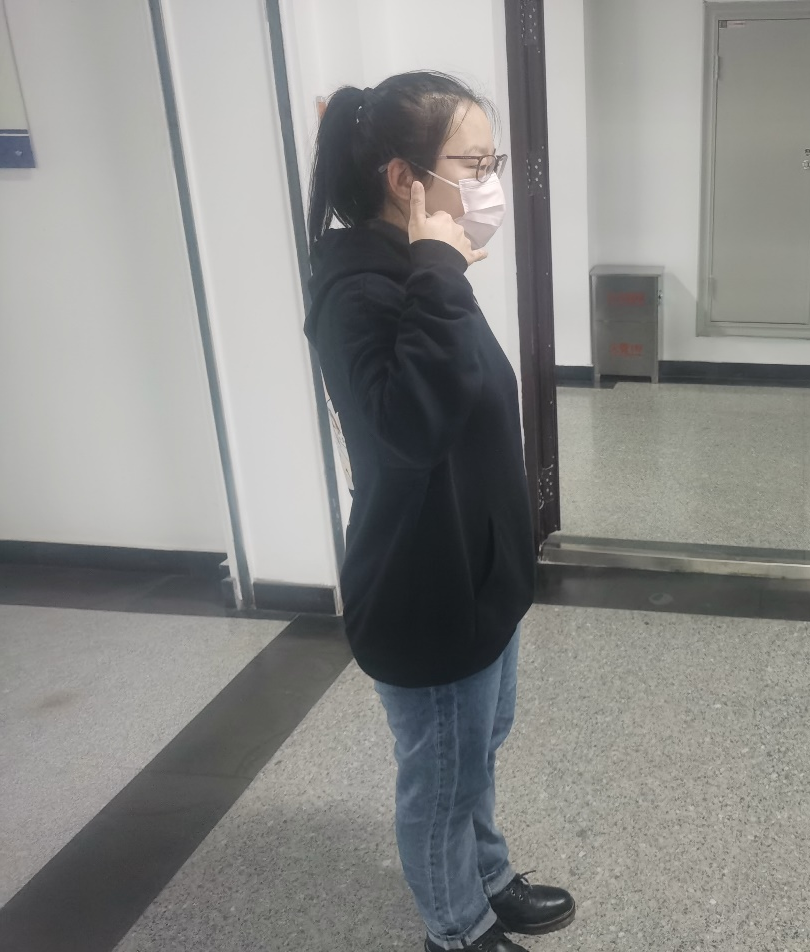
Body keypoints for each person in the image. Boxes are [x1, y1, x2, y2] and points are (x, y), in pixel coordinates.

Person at [303, 71, 574, 952]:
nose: (491, 183)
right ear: (403, 179)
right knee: (443, 779)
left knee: (478, 748)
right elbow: (408, 432)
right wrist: (440, 272)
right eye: (476, 163)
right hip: (425, 586)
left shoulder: (419, 269)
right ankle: (455, 930)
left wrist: (438, 271)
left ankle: (486, 878)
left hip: (478, 569)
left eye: (495, 162)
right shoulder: (362, 291)